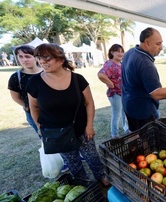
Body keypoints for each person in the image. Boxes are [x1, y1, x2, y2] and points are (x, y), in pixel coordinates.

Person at [26, 43, 109, 186]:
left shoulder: (78, 79)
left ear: (60, 59)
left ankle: (101, 176)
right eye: (39, 57)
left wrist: (89, 125)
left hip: (81, 128)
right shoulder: (34, 82)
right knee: (72, 161)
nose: (42, 61)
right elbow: (33, 106)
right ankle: (83, 184)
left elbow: (89, 103)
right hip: (57, 133)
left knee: (92, 156)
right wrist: (39, 126)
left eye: (47, 57)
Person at [7, 45, 69, 173]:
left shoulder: (47, 71)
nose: (24, 60)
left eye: (28, 56)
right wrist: (27, 106)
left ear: (35, 58)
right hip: (34, 113)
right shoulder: (16, 77)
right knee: (49, 138)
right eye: (21, 57)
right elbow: (15, 96)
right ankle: (63, 160)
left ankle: (70, 155)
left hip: (54, 111)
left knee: (65, 134)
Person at [97, 44, 129, 138]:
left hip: (123, 93)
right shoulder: (110, 64)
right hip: (115, 94)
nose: (120, 53)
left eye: (121, 51)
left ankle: (126, 129)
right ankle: (114, 135)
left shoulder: (121, 63)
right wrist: (111, 84)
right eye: (117, 51)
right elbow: (101, 74)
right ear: (112, 52)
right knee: (117, 115)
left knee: (124, 112)